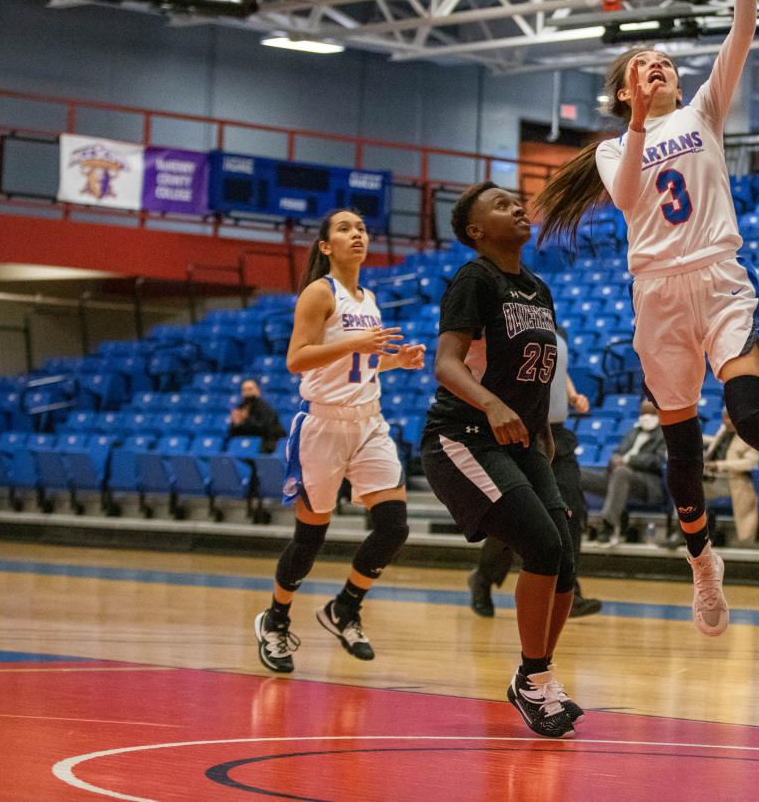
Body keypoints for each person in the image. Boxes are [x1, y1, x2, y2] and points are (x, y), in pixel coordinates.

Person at [532, 0, 759, 637]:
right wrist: (635, 124)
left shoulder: (703, 111)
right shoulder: (613, 148)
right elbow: (631, 193)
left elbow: (743, 28)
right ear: (623, 91)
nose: (660, 66)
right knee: (679, 452)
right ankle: (703, 569)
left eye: (664, 61)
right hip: (657, 295)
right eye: (645, 65)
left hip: (720, 277)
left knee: (746, 411)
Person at [420, 183, 582, 738]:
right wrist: (491, 405)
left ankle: (536, 676)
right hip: (462, 436)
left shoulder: (537, 288)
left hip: (522, 441)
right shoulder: (474, 279)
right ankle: (533, 677)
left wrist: (540, 432)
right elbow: (446, 364)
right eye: (501, 204)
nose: (518, 206)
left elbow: (533, 372)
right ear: (475, 231)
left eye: (519, 200)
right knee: (540, 542)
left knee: (563, 554)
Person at [253, 209, 425, 677]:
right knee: (311, 535)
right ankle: (276, 618)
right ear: (326, 246)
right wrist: (356, 345)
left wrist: (396, 362)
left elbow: (358, 363)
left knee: (394, 526)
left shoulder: (368, 297)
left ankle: (345, 607)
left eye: (363, 228)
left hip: (369, 422)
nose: (357, 235)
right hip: (322, 426)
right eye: (346, 229)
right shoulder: (318, 292)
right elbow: (297, 360)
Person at [469, 326, 601, 620]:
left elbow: (556, 367)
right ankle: (483, 578)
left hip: (557, 433)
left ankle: (568, 590)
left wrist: (571, 394)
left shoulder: (558, 332)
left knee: (572, 511)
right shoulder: (510, 329)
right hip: (521, 433)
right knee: (515, 518)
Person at [582, 401, 668, 545]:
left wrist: (627, 460)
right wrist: (614, 460)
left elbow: (656, 461)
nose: (647, 416)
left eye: (651, 413)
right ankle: (577, 522)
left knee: (622, 472)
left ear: (658, 414)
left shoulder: (664, 434)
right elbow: (618, 452)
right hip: (617, 476)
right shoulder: (632, 432)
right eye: (644, 413)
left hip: (646, 483)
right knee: (578, 473)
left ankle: (608, 525)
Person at [699, 410, 759, 545]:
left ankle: (695, 534)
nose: (725, 422)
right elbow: (712, 442)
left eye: (729, 418)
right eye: (724, 418)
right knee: (684, 489)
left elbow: (750, 463)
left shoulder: (750, 437)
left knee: (692, 492)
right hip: (712, 478)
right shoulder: (723, 433)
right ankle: (688, 533)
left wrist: (719, 465)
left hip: (734, 481)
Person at [229, 378, 283, 453]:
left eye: (250, 389)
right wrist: (236, 424)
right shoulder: (240, 408)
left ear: (258, 391)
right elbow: (233, 432)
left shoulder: (266, 408)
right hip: (245, 446)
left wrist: (246, 419)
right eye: (244, 390)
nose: (247, 393)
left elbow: (265, 429)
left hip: (265, 446)